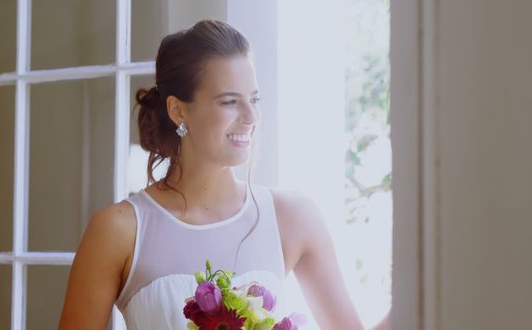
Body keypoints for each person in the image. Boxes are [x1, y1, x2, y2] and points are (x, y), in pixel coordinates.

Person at [57, 19, 390, 330]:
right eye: (230, 101)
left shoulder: (292, 217)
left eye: (254, 99)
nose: (250, 117)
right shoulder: (119, 230)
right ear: (178, 110)